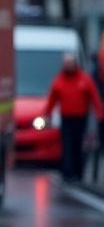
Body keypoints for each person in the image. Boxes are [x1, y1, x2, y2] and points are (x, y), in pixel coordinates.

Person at [43, 52, 103, 181]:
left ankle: (78, 171)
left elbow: (94, 97)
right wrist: (46, 115)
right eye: (66, 64)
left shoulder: (84, 79)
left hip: (80, 118)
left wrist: (99, 113)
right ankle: (67, 172)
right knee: (67, 144)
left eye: (70, 63)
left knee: (77, 144)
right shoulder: (59, 80)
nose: (68, 66)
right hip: (66, 118)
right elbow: (51, 100)